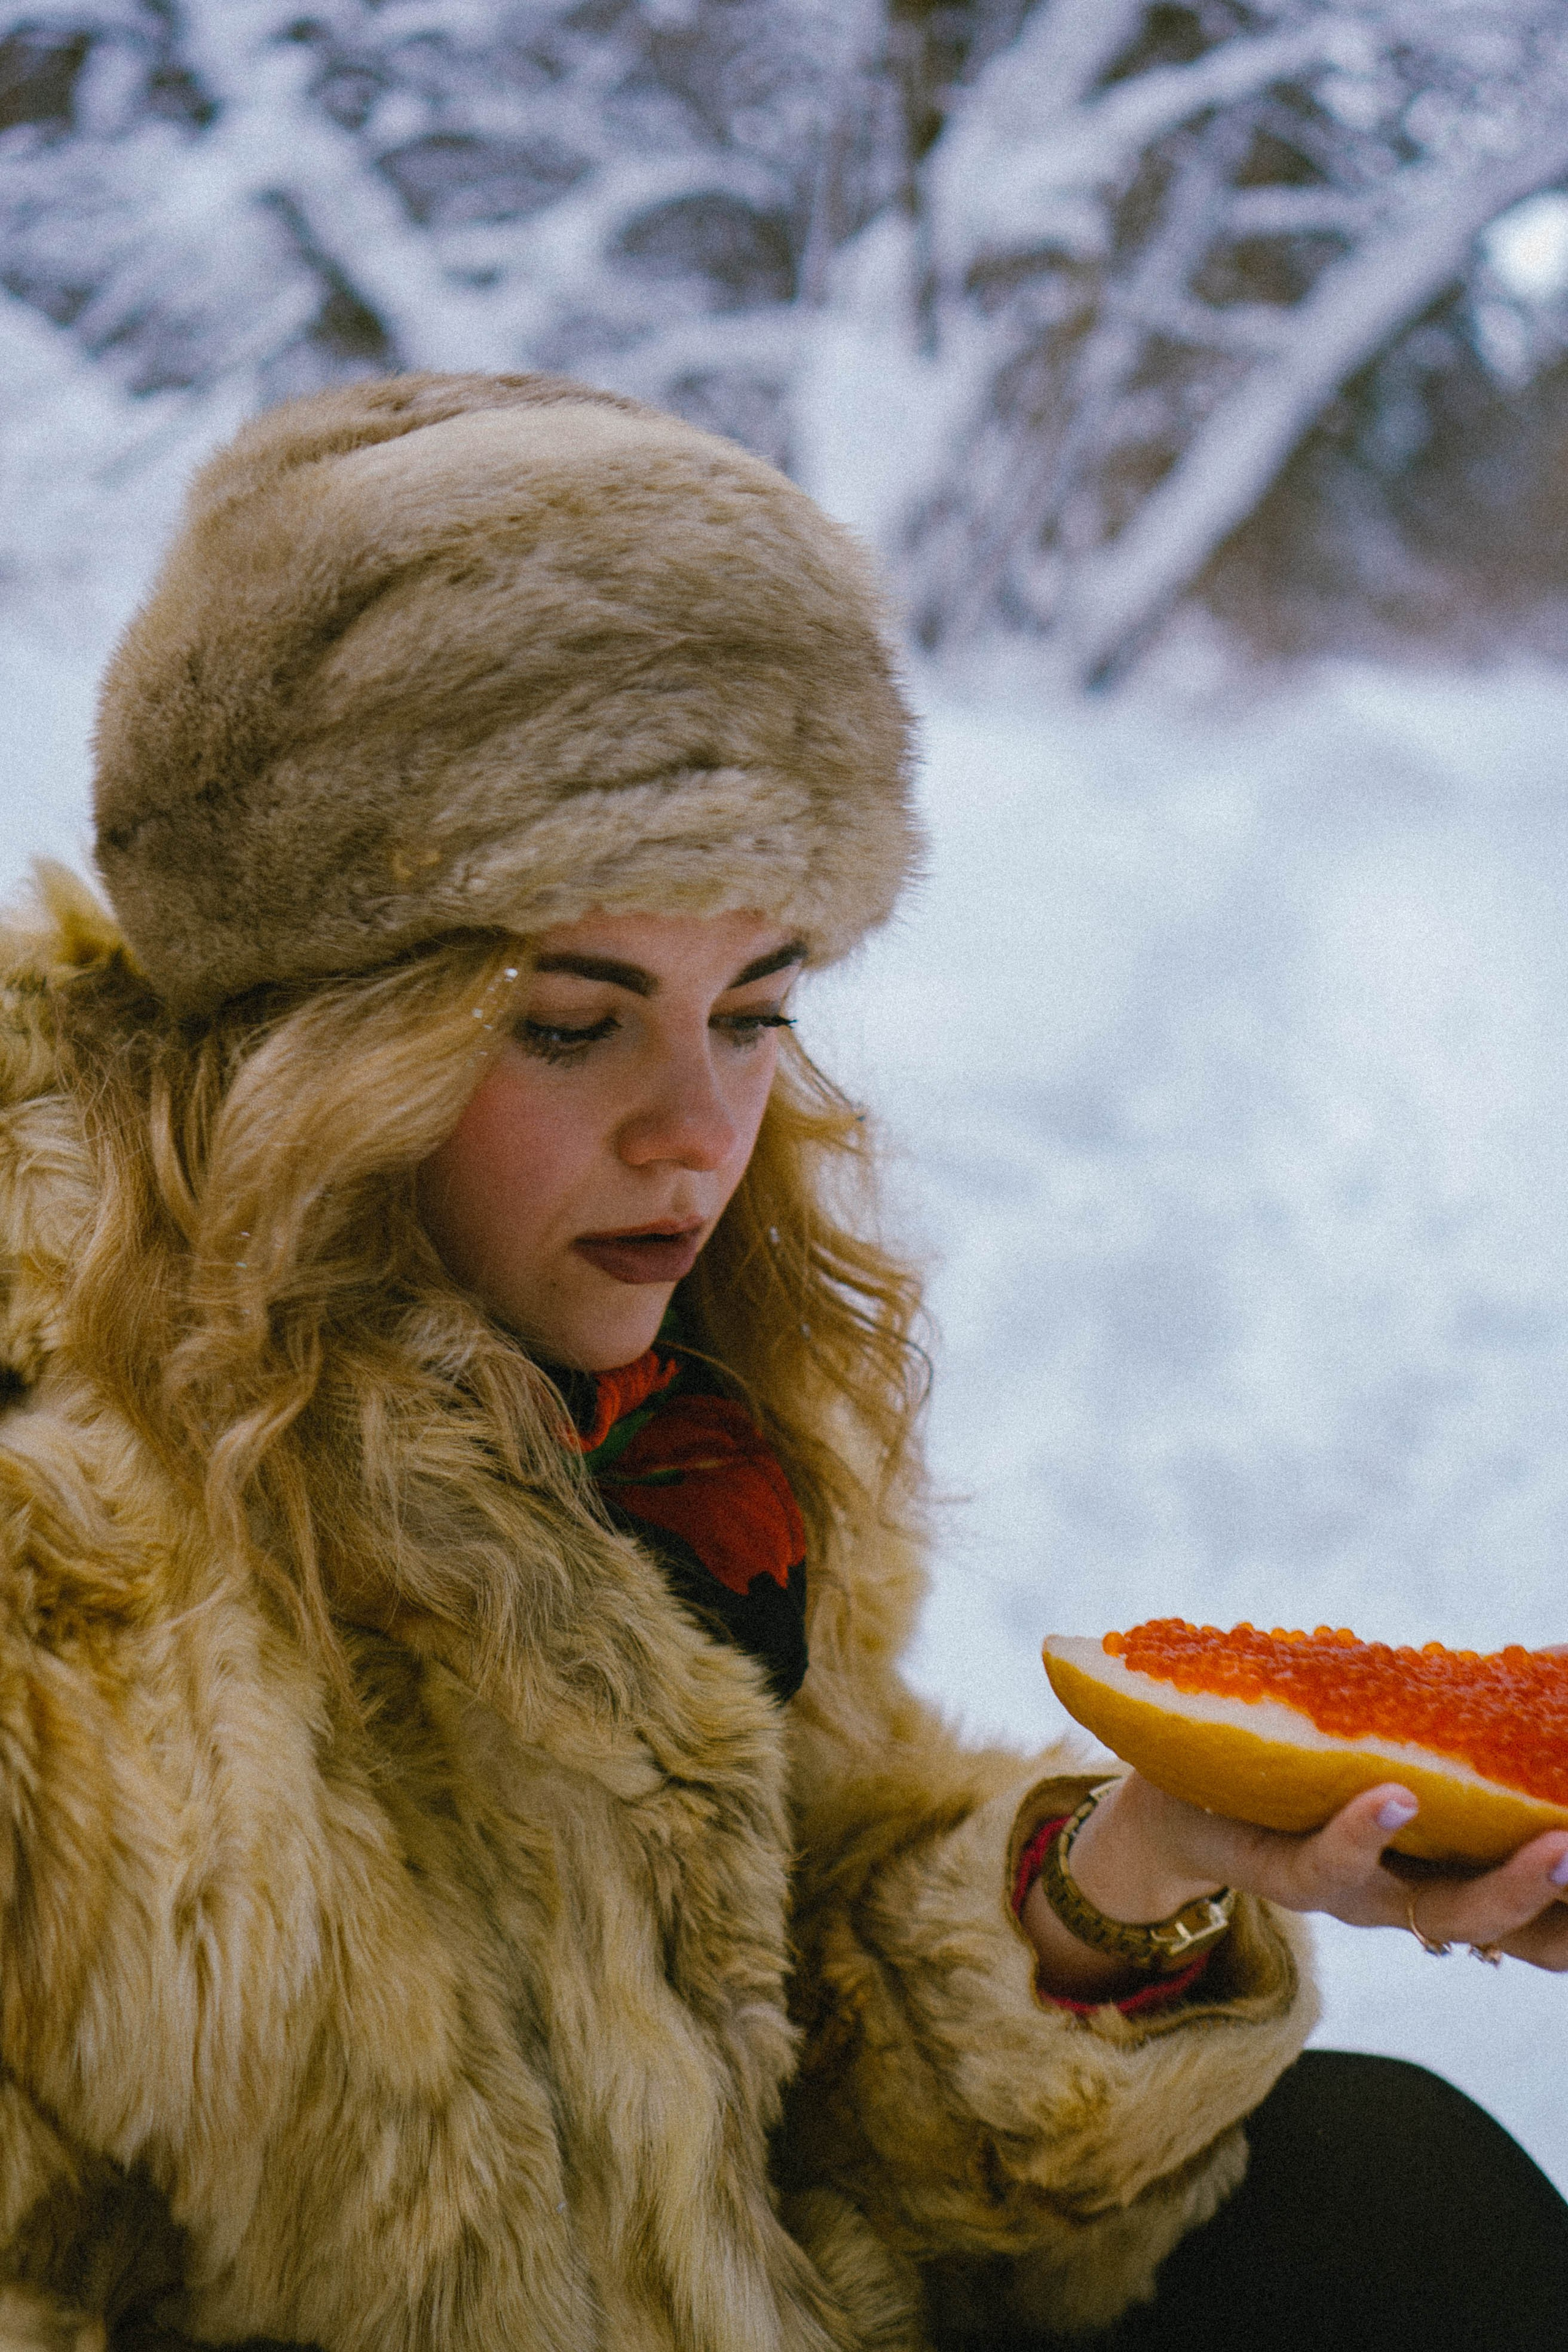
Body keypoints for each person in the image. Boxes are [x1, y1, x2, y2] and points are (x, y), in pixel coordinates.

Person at [0, 370, 1563, 2352]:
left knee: (1389, 2182)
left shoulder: (672, 1428)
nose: (700, 1135)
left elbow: (788, 2084)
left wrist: (1118, 1890)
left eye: (751, 1010)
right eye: (571, 1023)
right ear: (305, 1036)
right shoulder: (60, 1557)